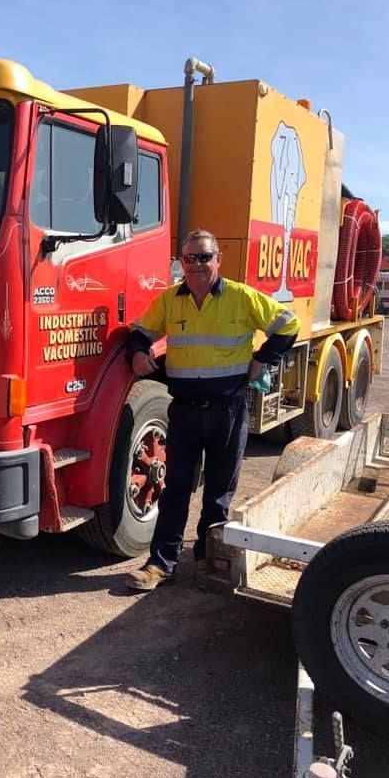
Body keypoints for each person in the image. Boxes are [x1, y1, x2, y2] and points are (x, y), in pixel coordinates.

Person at [126, 229, 301, 591]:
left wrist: (263, 359)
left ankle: (208, 559)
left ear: (218, 259)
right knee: (174, 488)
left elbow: (289, 325)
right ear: (181, 262)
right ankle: (162, 564)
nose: (197, 265)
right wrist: (138, 353)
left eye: (204, 257)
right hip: (185, 412)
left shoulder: (241, 297)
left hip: (228, 410)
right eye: (189, 258)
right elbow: (140, 331)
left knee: (219, 491)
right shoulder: (170, 300)